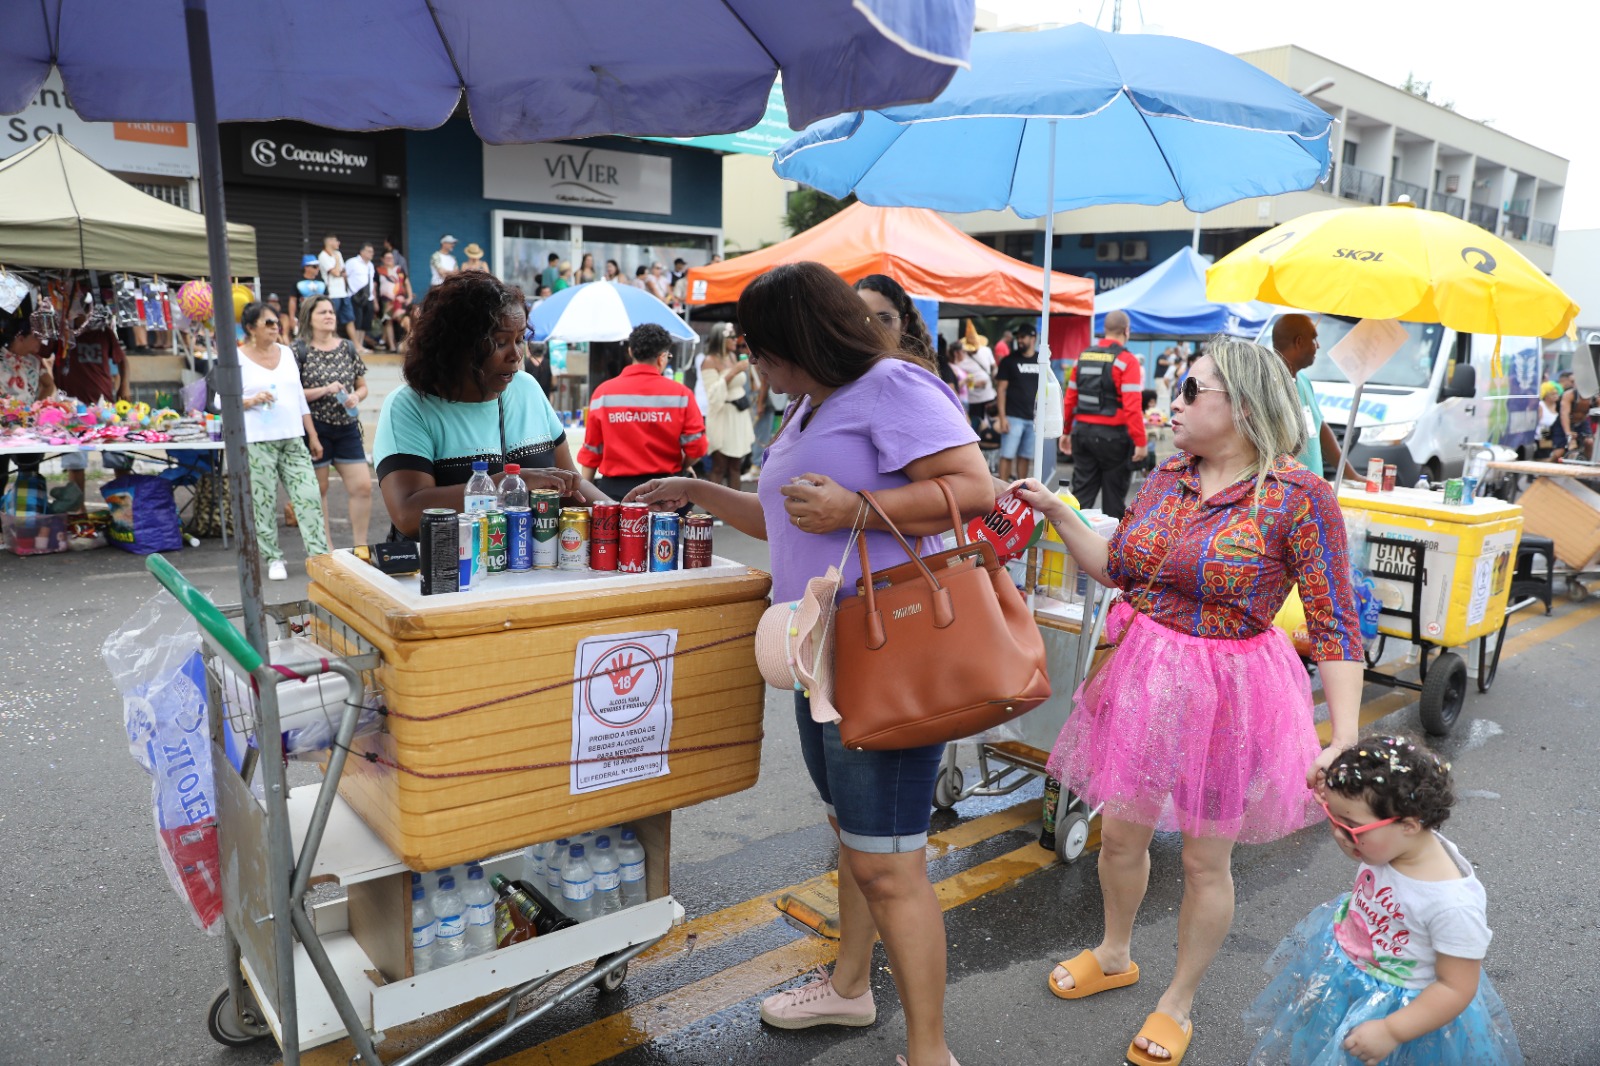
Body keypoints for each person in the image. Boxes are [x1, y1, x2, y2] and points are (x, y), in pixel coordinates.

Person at [625, 262, 993, 1066]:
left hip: (882, 649)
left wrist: (860, 508)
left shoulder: (894, 385)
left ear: (797, 340)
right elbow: (785, 521)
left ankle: (930, 1052)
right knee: (856, 839)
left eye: (760, 347)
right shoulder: (808, 403)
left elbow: (977, 489)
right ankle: (850, 985)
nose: (752, 361)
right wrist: (694, 488)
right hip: (818, 648)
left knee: (891, 864)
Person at [1012, 338, 1364, 1066]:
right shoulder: (1169, 473)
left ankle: (1178, 1000)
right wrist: (1056, 512)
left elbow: (1334, 624)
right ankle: (1114, 952)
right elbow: (1118, 567)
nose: (1170, 404)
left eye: (1190, 391)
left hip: (1232, 698)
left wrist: (1345, 737)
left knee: (1206, 863)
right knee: (1119, 838)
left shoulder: (1300, 497)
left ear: (1241, 405)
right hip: (1143, 678)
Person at [1244, 736, 1524, 1066]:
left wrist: (1392, 1030)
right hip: (1351, 975)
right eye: (1333, 819)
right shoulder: (1391, 842)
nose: (1339, 834)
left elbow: (1456, 988)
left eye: (1351, 827)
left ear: (1408, 825)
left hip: (1404, 1014)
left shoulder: (1452, 905)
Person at [374, 272, 602, 539]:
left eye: (519, 340)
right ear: (457, 344)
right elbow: (408, 514)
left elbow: (570, 485)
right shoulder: (409, 406)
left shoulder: (527, 388)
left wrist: (624, 514)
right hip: (444, 574)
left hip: (526, 573)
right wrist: (510, 484)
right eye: (500, 342)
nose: (516, 355)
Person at [228, 302, 329, 581]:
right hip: (258, 441)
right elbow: (218, 400)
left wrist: (313, 435)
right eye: (268, 323)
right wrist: (250, 401)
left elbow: (298, 397)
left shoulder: (286, 353)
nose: (275, 327)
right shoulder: (235, 357)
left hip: (292, 438)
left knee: (308, 496)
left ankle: (319, 557)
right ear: (250, 328)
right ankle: (273, 558)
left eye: (276, 323)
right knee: (263, 502)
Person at [576, 323, 708, 501]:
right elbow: (697, 447)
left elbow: (592, 451)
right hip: (666, 492)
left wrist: (586, 497)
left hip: (615, 492)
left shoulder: (603, 393)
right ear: (661, 358)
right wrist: (683, 467)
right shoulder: (681, 395)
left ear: (630, 351)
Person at [293, 295, 372, 548]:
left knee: (362, 487)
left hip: (347, 427)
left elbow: (362, 386)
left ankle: (360, 547)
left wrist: (354, 397)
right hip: (315, 428)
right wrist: (325, 389)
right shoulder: (298, 350)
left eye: (331, 312)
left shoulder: (347, 347)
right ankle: (325, 548)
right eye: (322, 313)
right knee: (320, 490)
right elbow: (293, 392)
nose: (329, 316)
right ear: (309, 318)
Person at [1063, 309, 1146, 518]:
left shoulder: (1081, 358)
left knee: (1079, 498)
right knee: (1113, 502)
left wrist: (1065, 431)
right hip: (1114, 438)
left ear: (1105, 330)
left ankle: (1068, 547)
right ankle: (1111, 549)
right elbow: (1132, 406)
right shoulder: (1127, 361)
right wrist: (1141, 442)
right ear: (1126, 331)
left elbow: (1070, 399)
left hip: (1082, 434)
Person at [1272, 313, 1367, 484]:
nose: (1318, 346)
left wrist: (1351, 474)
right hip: (1285, 494)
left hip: (1311, 492)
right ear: (1299, 342)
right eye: (1314, 339)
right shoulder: (1271, 384)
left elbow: (1320, 429)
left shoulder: (1304, 381)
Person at [54, 308, 132, 494]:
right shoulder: (61, 333)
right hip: (71, 409)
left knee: (119, 458)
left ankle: (125, 509)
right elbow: (39, 352)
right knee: (75, 462)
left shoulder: (103, 332)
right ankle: (78, 513)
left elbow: (122, 360)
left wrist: (124, 386)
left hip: (104, 406)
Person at [0, 314, 52, 500]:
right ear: (20, 337)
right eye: (36, 337)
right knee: (0, 476)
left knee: (29, 473)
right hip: (2, 428)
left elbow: (49, 385)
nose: (40, 342)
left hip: (28, 427)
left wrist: (36, 407)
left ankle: (25, 518)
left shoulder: (34, 361)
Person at [699, 322, 755, 491]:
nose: (735, 340)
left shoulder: (732, 356)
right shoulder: (709, 361)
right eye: (731, 337)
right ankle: (711, 510)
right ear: (720, 339)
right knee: (719, 466)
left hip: (738, 416)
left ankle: (735, 510)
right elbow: (713, 395)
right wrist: (733, 372)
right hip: (722, 417)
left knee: (736, 466)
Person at [854, 274, 937, 375]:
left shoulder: (918, 379)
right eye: (863, 320)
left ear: (904, 324)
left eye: (883, 319)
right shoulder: (839, 379)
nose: (872, 330)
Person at [994, 322, 1043, 483]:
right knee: (1007, 455)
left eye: (1023, 337)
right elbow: (1001, 389)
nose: (1019, 340)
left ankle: (1022, 493)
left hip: (1034, 418)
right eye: (1018, 337)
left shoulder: (1042, 361)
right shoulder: (1009, 360)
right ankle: (1002, 494)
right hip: (1013, 417)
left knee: (1025, 457)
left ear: (1033, 338)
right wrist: (1002, 418)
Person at [951, 331, 997, 433]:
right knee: (975, 425)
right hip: (972, 398)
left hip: (989, 395)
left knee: (991, 425)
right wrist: (974, 384)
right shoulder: (961, 357)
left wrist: (993, 377)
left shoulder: (986, 350)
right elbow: (958, 377)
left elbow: (994, 367)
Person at [376, 250, 412, 353]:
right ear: (382, 259)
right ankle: (392, 346)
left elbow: (407, 283)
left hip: (400, 300)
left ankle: (408, 344)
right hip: (386, 300)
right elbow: (374, 287)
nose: (389, 260)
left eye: (391, 258)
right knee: (388, 322)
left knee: (404, 321)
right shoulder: (379, 271)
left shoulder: (399, 270)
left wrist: (409, 297)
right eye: (387, 258)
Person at [1551, 374, 1594, 461]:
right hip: (1564, 423)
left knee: (1589, 442)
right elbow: (1564, 414)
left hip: (1582, 423)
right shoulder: (1569, 395)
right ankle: (1545, 468)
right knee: (1559, 452)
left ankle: (1587, 465)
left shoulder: (1593, 397)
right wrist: (1568, 433)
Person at [344, 241, 377, 353]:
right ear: (362, 252)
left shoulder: (371, 265)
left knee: (365, 323)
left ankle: (361, 345)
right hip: (355, 296)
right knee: (357, 321)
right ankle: (356, 346)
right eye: (369, 251)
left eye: (372, 251)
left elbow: (372, 283)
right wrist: (350, 291)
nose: (371, 253)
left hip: (369, 297)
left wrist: (374, 299)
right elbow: (344, 276)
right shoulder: (352, 262)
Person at [288, 254, 326, 333]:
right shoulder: (298, 282)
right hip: (303, 316)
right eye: (315, 266)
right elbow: (293, 300)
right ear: (306, 267)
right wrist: (292, 318)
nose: (317, 269)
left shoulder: (321, 282)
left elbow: (327, 298)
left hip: (320, 315)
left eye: (318, 266)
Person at [1534, 381, 1561, 459]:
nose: (1555, 396)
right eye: (1552, 394)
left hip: (1555, 434)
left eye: (1556, 393)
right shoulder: (1541, 406)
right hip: (1543, 433)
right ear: (1545, 395)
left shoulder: (1559, 406)